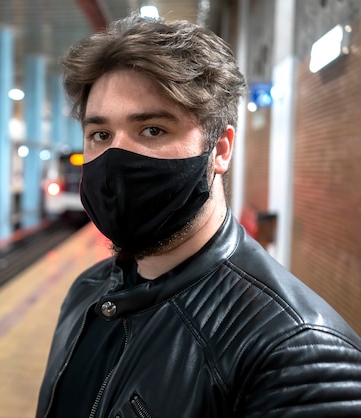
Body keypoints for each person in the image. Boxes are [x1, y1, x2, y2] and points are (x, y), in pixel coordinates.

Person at [36, 14, 361, 418]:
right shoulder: (88, 292)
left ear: (220, 149)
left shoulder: (298, 356)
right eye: (100, 135)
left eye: (152, 130)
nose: (115, 159)